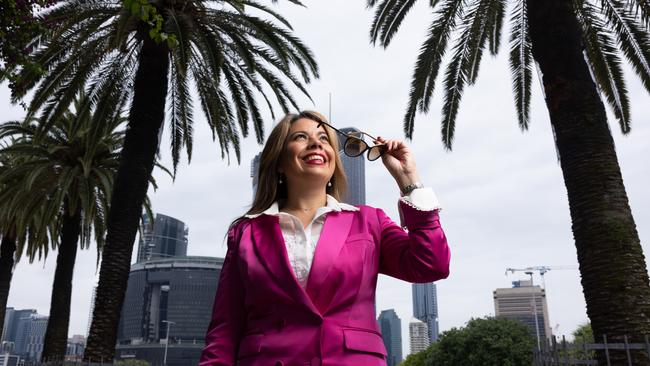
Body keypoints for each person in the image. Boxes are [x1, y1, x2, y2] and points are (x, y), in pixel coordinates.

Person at [199, 111, 450, 366]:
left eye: (323, 138)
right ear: (278, 161)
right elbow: (224, 330)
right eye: (300, 136)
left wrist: (409, 180)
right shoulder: (245, 233)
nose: (316, 143)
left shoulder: (369, 222)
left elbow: (431, 264)